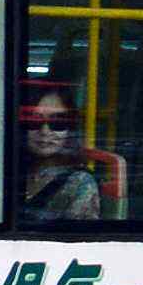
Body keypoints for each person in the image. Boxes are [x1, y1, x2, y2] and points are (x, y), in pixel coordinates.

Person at [21, 86, 103, 222]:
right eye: (34, 121)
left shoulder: (80, 183)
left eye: (58, 123)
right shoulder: (8, 172)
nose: (45, 132)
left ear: (70, 129)